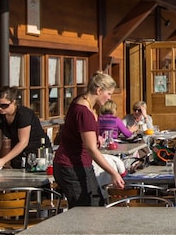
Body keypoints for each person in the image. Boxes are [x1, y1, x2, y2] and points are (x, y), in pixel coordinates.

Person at [53, 71, 125, 207]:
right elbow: (91, 148)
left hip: (74, 164)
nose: (109, 98)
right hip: (72, 166)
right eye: (108, 93)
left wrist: (94, 136)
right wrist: (113, 173)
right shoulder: (84, 112)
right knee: (86, 210)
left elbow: (78, 131)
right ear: (98, 90)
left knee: (95, 204)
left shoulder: (80, 103)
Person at [0, 86, 51, 170]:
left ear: (14, 102)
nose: (0, 108)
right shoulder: (0, 116)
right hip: (18, 154)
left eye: (4, 105)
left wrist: (3, 160)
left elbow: (23, 142)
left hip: (37, 154)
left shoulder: (23, 114)